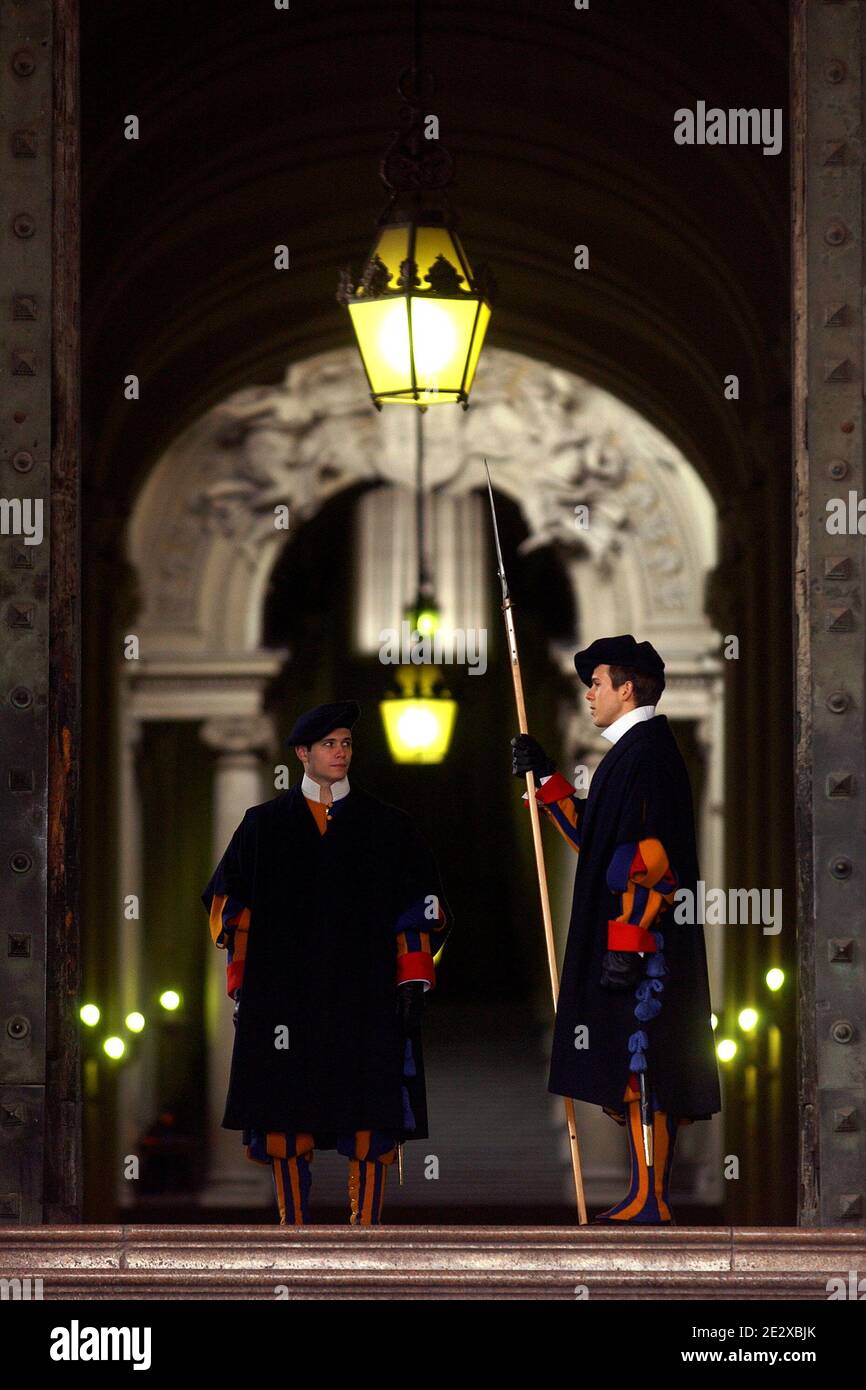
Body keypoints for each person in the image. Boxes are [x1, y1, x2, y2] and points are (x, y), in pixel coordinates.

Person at [202, 700, 450, 1226]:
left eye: (346, 744)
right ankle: (294, 1236)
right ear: (302, 753)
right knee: (285, 1118)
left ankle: (367, 1241)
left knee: (371, 1115)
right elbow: (225, 902)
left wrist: (412, 980)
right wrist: (246, 981)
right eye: (329, 744)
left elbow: (421, 908)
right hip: (284, 1000)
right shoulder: (262, 826)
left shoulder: (389, 826)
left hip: (365, 995)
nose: (340, 752)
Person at [511, 635, 720, 1224]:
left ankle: (651, 1199)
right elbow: (599, 842)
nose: (589, 694)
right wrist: (547, 780)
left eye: (596, 683)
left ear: (626, 689)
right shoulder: (629, 756)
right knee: (630, 1068)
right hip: (629, 940)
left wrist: (626, 945)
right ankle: (642, 1193)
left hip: (644, 945)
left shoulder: (648, 754)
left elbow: (649, 860)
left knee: (645, 1064)